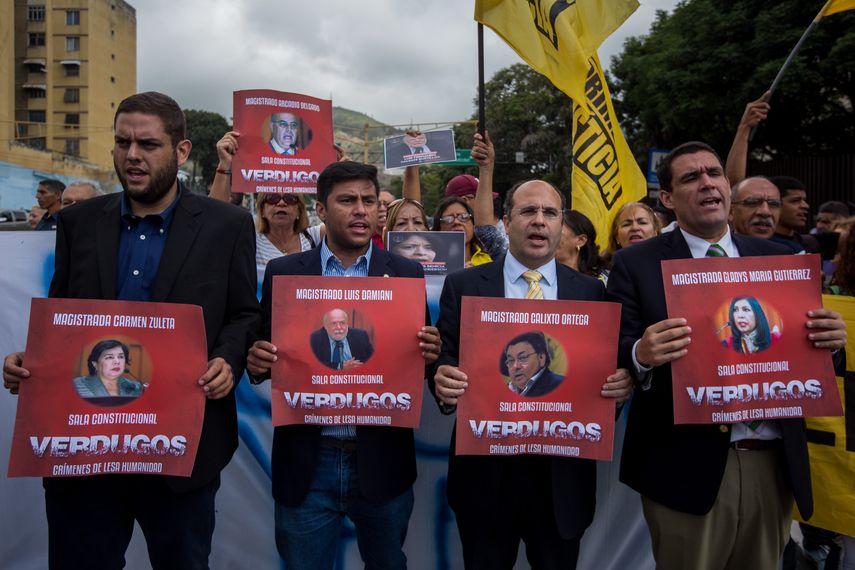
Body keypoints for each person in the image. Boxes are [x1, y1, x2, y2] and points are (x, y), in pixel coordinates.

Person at [3, 91, 260, 569]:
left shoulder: (228, 225)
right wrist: (30, 361)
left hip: (181, 452)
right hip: (84, 451)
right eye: (123, 143)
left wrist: (229, 357)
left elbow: (245, 313)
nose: (132, 156)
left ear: (181, 152)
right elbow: (62, 318)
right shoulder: (78, 222)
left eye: (148, 144)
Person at [606, 141, 847, 570]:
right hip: (683, 469)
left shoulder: (782, 260)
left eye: (714, 173)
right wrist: (641, 353)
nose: (707, 183)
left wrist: (831, 344)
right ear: (667, 198)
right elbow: (614, 353)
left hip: (771, 463)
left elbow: (813, 361)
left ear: (728, 186)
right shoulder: (635, 263)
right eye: (691, 177)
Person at [245, 161, 441, 569]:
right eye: (347, 200)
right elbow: (263, 358)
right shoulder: (285, 273)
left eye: (369, 201)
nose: (361, 210)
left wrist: (430, 353)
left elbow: (416, 368)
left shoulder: (405, 274)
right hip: (307, 461)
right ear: (320, 209)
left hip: (382, 462)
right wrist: (256, 359)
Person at [433, 178, 632, 569]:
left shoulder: (591, 293)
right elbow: (445, 359)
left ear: (562, 226)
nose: (539, 221)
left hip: (562, 483)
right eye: (528, 211)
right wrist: (441, 380)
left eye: (550, 213)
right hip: (486, 481)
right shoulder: (464, 286)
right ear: (506, 223)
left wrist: (618, 387)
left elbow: (603, 373)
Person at [254, 192, 323, 282]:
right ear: (262, 209)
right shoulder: (252, 243)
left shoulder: (314, 236)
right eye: (272, 198)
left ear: (299, 209)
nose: (281, 203)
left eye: (290, 198)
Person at [72, 339, 143, 401]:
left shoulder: (136, 387)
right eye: (109, 357)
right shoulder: (77, 385)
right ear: (95, 364)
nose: (117, 361)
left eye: (121, 356)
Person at [500, 331, 564, 397]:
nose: (515, 366)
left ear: (541, 358)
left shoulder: (560, 385)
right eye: (511, 360)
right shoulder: (503, 391)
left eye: (522, 357)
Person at [432, 196, 491, 267]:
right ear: (439, 227)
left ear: (473, 224)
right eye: (448, 219)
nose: (456, 222)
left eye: (464, 217)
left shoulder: (488, 259)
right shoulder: (430, 260)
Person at [309, 308, 374, 370]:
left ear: (347, 324)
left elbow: (373, 360)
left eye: (342, 323)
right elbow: (312, 365)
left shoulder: (361, 336)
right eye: (334, 323)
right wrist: (340, 366)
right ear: (325, 326)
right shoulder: (315, 339)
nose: (339, 327)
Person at [769, 175, 820, 254]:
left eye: (804, 200)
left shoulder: (810, 243)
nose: (805, 206)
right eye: (795, 201)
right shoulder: (757, 246)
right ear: (773, 204)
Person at [556, 210, 607, 281]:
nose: (550, 237)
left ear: (581, 241)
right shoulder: (538, 276)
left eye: (557, 232)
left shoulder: (603, 281)